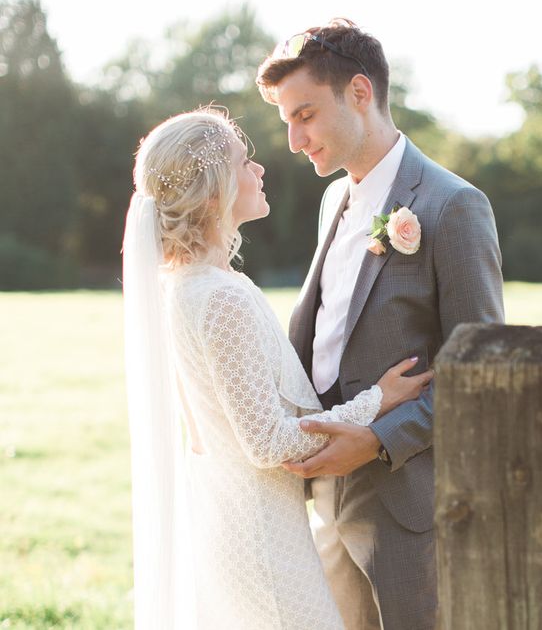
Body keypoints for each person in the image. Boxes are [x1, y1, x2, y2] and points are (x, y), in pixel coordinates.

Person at [121, 107, 433, 630]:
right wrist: (378, 400)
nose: (260, 170)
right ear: (216, 190)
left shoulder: (190, 285)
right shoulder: (219, 299)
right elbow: (266, 442)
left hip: (241, 518)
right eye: (246, 162)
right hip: (260, 538)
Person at [256, 18, 505, 630]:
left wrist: (375, 439)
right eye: (288, 119)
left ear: (360, 93)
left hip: (408, 512)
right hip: (321, 506)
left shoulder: (454, 206)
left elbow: (482, 371)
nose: (293, 138)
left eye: (306, 114)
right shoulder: (329, 202)